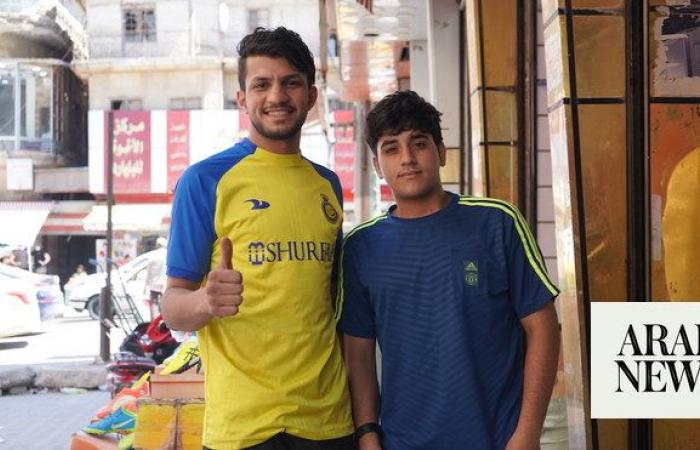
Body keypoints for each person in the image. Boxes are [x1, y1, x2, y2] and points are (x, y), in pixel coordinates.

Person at [161, 27, 353, 450]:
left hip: (329, 422)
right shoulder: (205, 180)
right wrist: (204, 302)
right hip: (243, 430)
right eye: (261, 84)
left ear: (312, 96)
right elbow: (173, 308)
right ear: (242, 99)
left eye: (290, 82)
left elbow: (329, 303)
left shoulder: (329, 186)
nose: (277, 96)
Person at [337, 90, 561, 450]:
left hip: (498, 439)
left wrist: (528, 433)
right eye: (391, 148)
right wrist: (367, 433)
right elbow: (358, 352)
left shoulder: (496, 222)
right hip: (403, 442)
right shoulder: (361, 247)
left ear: (441, 152)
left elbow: (543, 327)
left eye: (419, 143)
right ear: (378, 165)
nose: (407, 159)